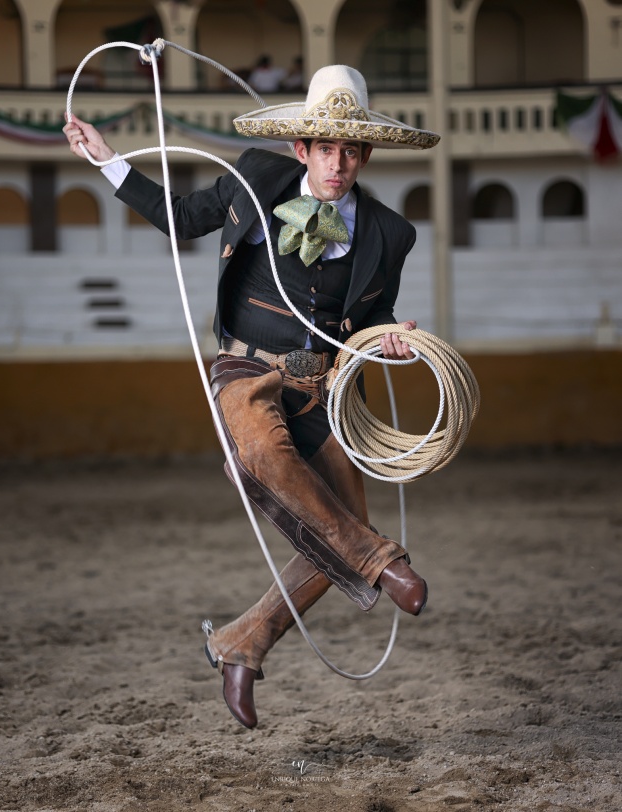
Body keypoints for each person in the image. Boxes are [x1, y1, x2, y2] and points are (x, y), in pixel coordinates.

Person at [63, 64, 440, 730]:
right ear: (302, 148)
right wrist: (109, 161)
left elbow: (365, 323)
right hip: (244, 371)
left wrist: (391, 340)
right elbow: (181, 218)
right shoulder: (255, 181)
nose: (338, 162)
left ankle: (243, 641)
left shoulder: (391, 234)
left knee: (335, 533)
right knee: (270, 458)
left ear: (366, 154)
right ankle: (382, 562)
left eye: (351, 149)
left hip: (320, 388)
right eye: (326, 147)